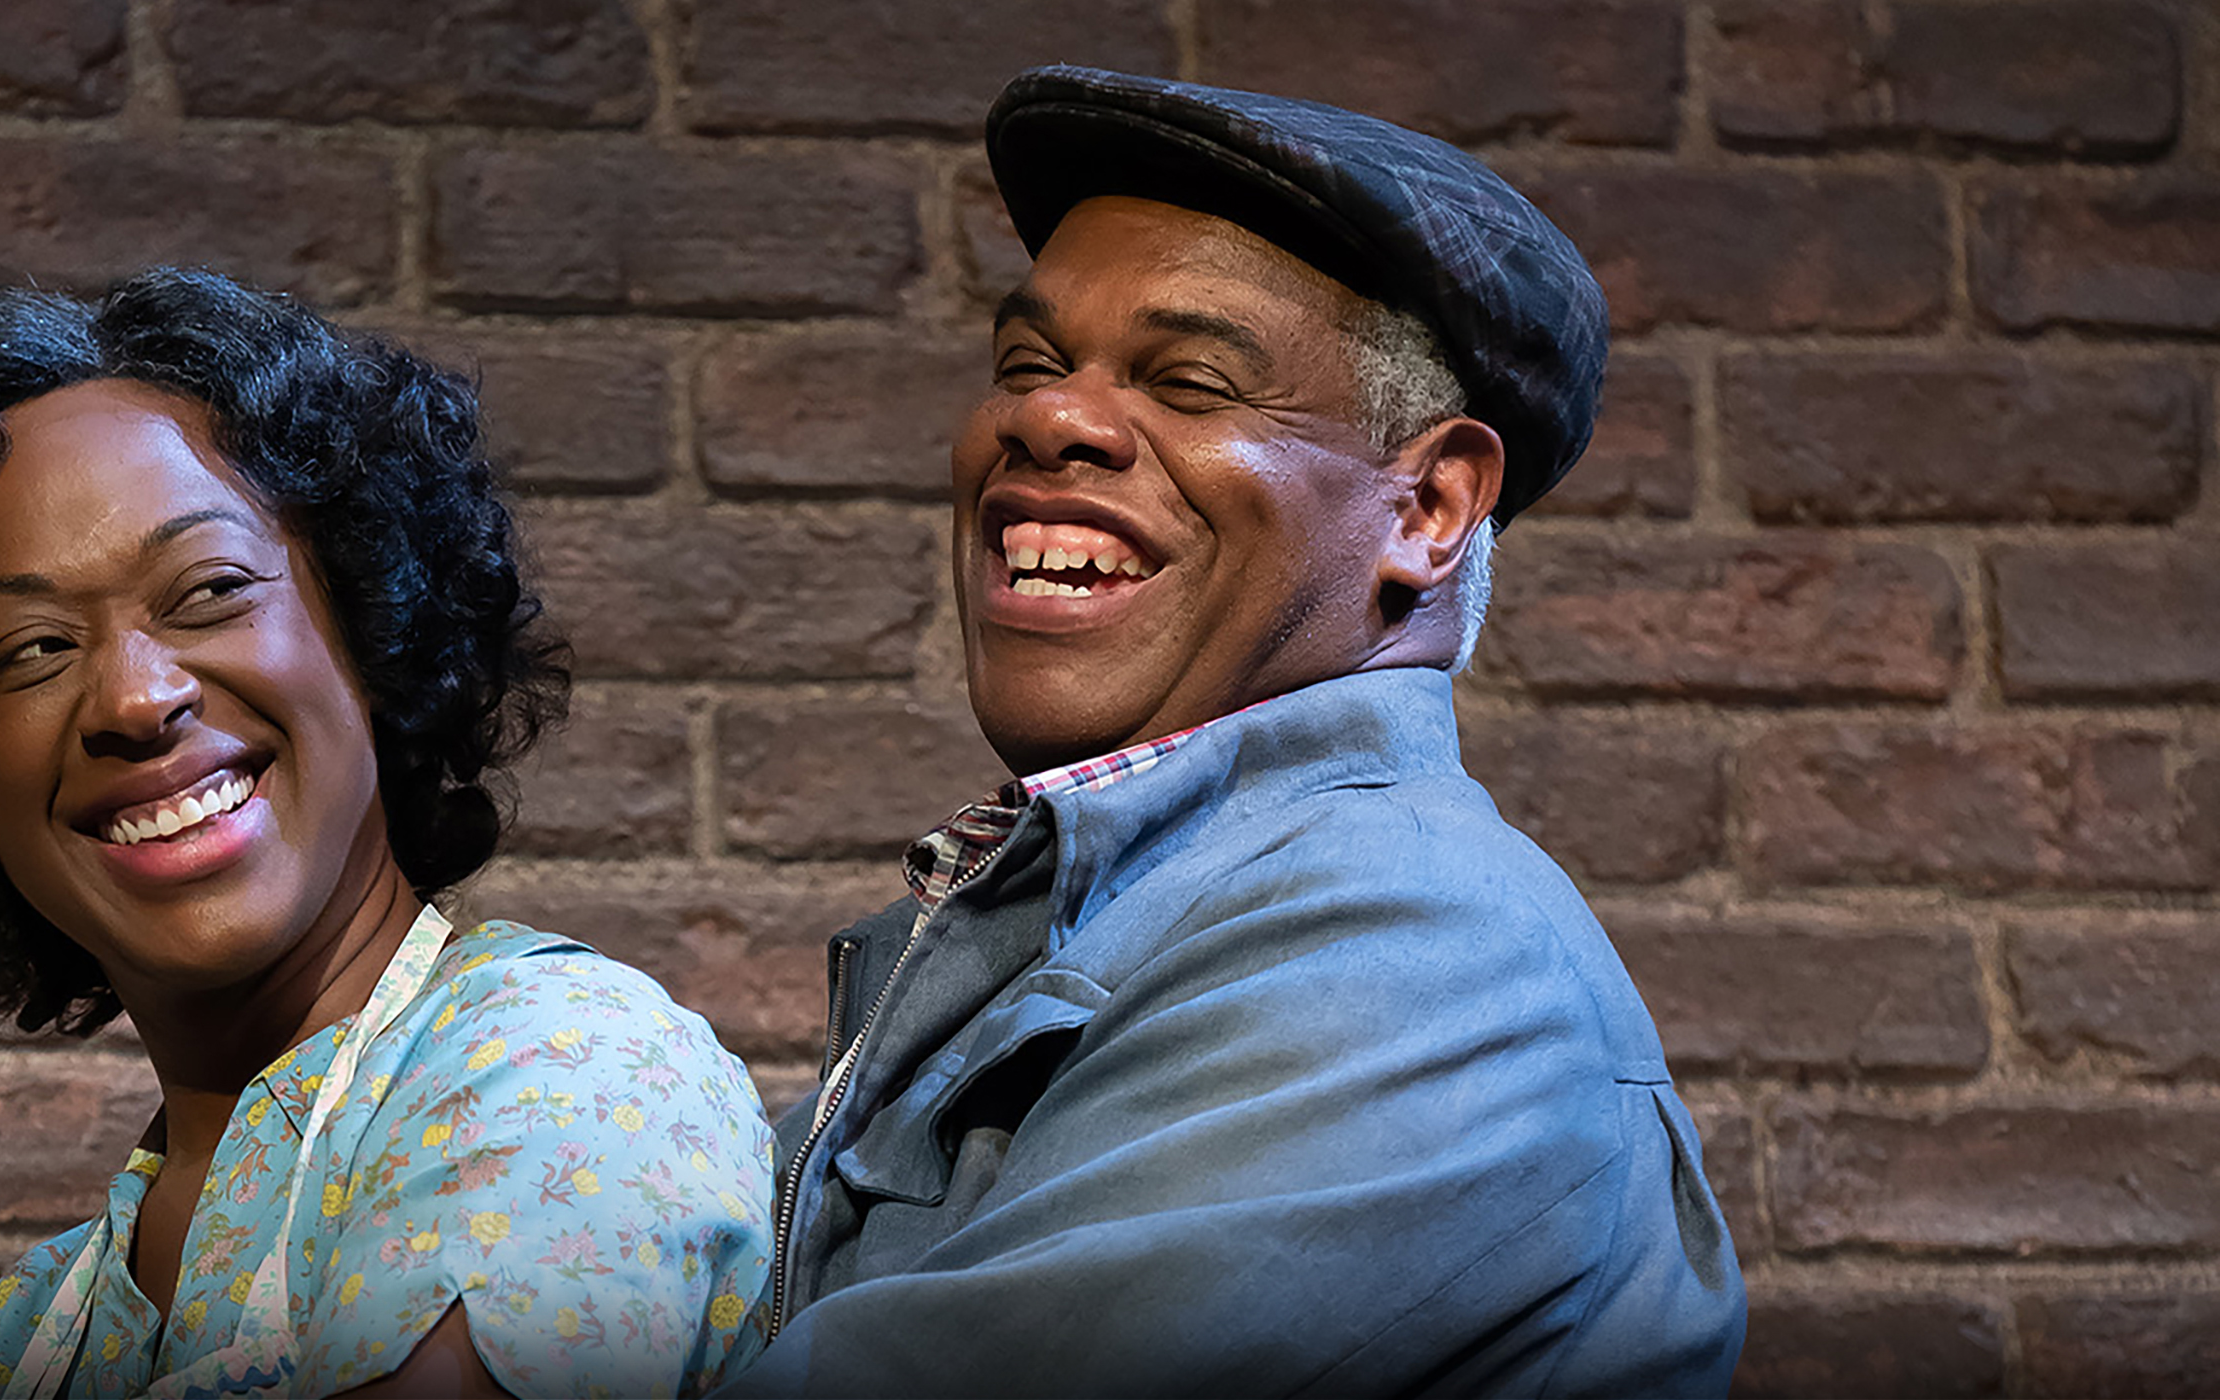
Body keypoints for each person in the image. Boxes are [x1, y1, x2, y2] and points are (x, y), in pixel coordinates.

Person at [718, 67, 1748, 1397]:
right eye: (1028, 363)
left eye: (1191, 381)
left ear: (1430, 506)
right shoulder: (1139, 913)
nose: (1049, 416)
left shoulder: (1416, 964)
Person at [0, 269, 773, 1399]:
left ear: (369, 630)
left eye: (209, 588)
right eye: (30, 648)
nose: (135, 696)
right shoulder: (27, 1335)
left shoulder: (558, 1067)